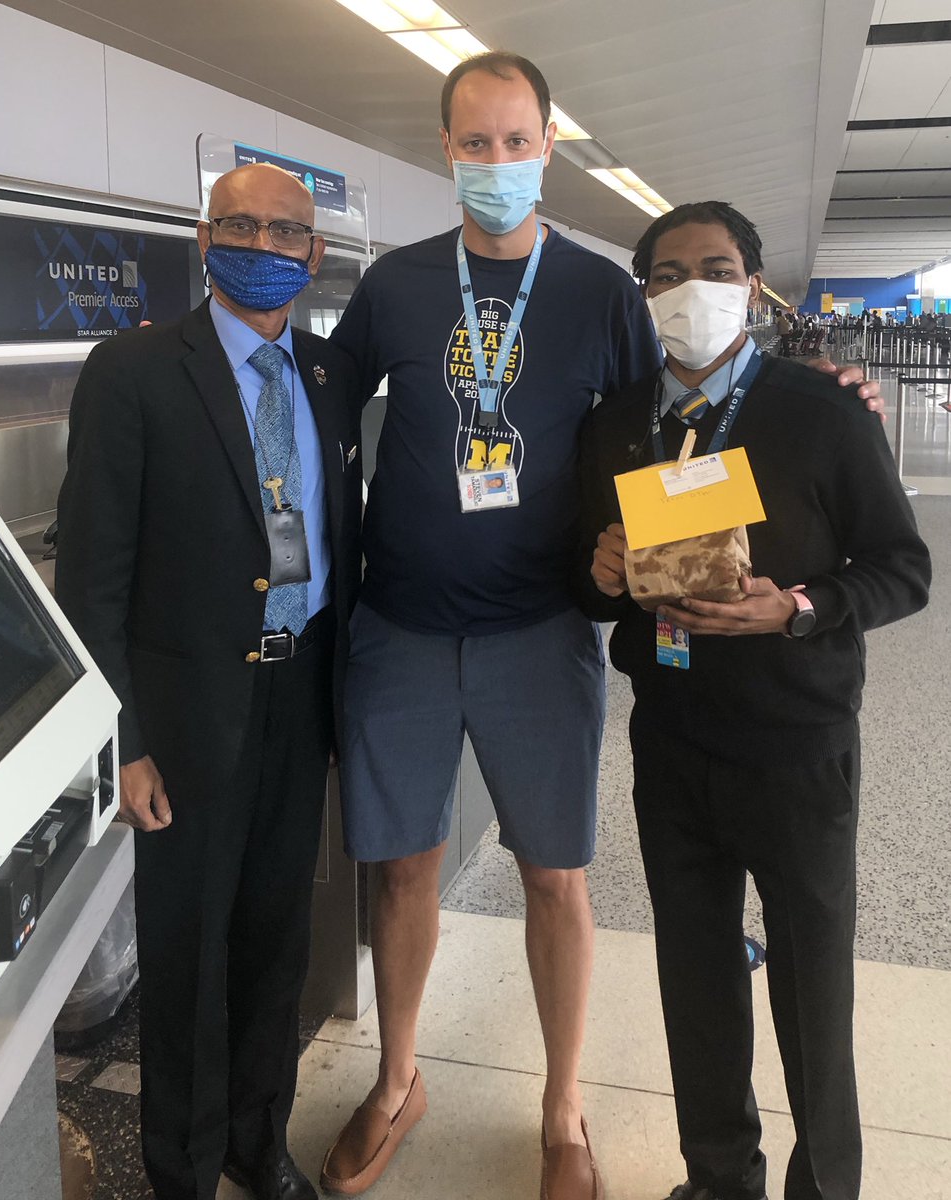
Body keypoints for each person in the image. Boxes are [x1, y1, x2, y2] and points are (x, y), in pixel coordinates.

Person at [319, 52, 883, 1200]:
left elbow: (679, 413)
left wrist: (829, 398)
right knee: (404, 870)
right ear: (446, 150)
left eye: (515, 141)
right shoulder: (395, 285)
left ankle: (564, 1107)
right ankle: (397, 1078)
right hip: (402, 627)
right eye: (474, 143)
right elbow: (317, 402)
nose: (495, 161)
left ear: (548, 147)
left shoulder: (601, 295)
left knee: (555, 877)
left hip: (542, 632)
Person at [578, 201, 931, 1200]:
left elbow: (902, 569)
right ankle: (718, 1177)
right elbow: (585, 581)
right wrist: (597, 572)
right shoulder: (616, 424)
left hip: (796, 745)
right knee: (695, 976)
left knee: (813, 985)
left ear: (754, 288)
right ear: (644, 293)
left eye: (717, 269)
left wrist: (800, 608)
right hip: (672, 740)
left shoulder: (822, 410)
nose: (692, 289)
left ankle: (823, 1187)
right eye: (668, 273)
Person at [56, 163, 362, 1200]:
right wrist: (124, 742)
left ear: (315, 254)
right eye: (239, 226)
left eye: (285, 233)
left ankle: (256, 1143)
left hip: (301, 695)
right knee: (187, 954)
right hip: (184, 719)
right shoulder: (134, 371)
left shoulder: (326, 375)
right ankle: (182, 1170)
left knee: (277, 940)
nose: (262, 247)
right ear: (204, 238)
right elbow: (92, 578)